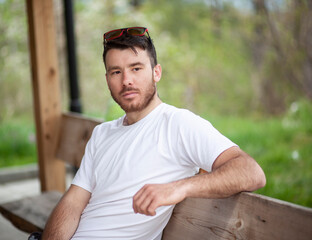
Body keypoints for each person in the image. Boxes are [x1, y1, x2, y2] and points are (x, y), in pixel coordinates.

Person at [39, 27, 266, 240]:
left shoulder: (178, 124)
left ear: (156, 72)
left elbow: (251, 172)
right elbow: (72, 203)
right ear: (107, 79)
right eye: (116, 71)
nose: (126, 80)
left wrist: (179, 187)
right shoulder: (102, 134)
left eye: (136, 68)